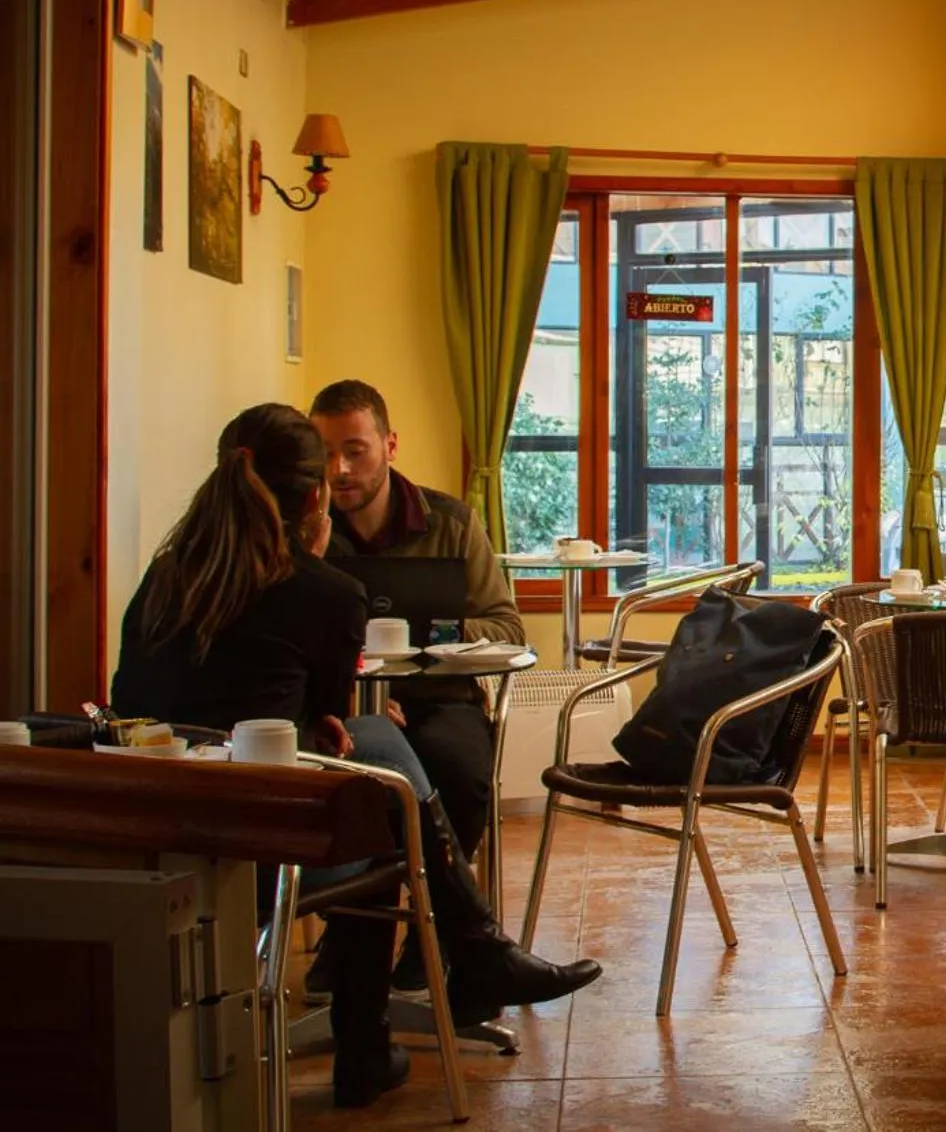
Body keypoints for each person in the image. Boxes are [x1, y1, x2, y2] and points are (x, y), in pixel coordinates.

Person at [110, 404, 601, 1109]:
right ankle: (402, 1016)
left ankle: (463, 959)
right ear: (314, 498)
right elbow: (331, 719)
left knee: (378, 759)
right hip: (262, 851)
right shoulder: (325, 592)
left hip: (158, 834)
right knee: (374, 801)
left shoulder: (162, 580)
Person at [309, 379, 517, 993]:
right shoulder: (305, 527)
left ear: (389, 445)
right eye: (323, 454)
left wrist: (428, 636)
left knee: (457, 768)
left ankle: (421, 943)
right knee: (355, 786)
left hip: (439, 693)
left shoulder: (450, 522)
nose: (339, 469)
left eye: (355, 451)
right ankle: (358, 938)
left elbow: (505, 624)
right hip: (343, 704)